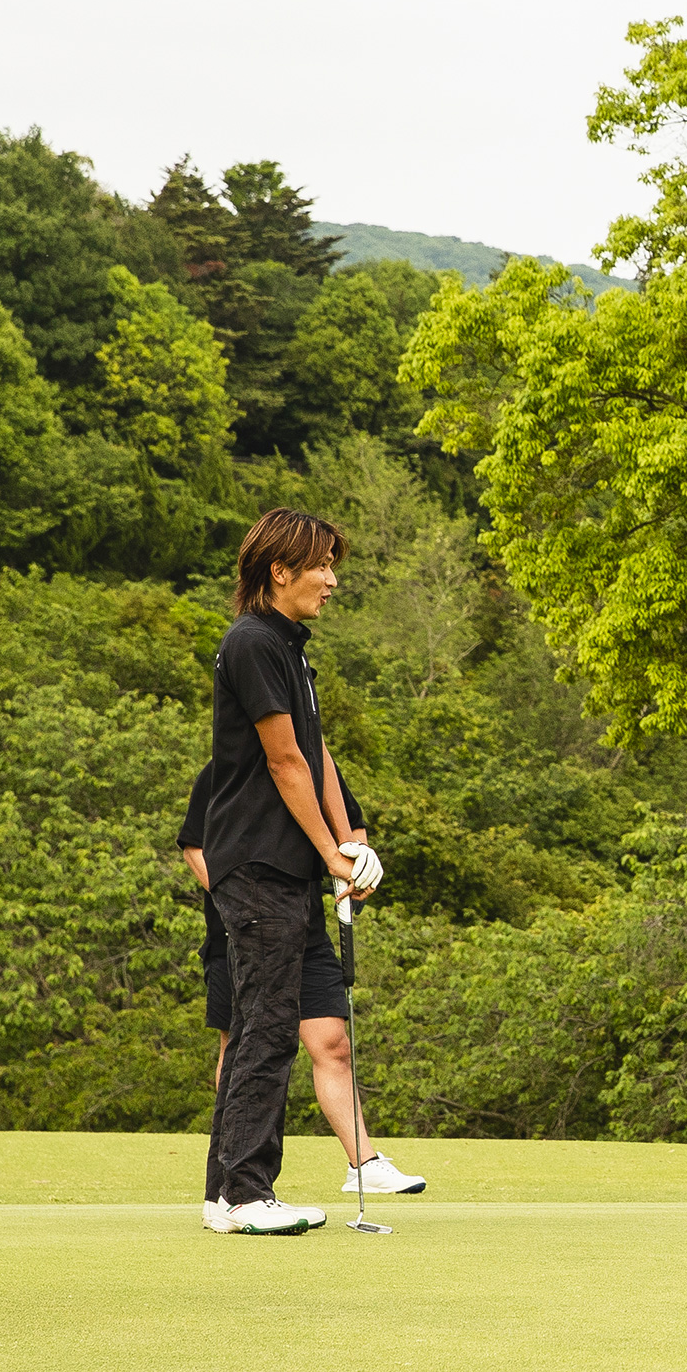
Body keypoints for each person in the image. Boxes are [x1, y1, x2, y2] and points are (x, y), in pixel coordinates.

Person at [199, 507, 385, 1236]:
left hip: (289, 868)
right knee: (268, 1026)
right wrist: (330, 850)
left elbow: (318, 756)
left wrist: (347, 847)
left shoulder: (289, 649)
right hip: (257, 862)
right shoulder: (251, 643)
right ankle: (247, 1195)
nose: (332, 580)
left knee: (260, 1023)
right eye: (322, 566)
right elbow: (282, 763)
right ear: (280, 570)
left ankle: (225, 1194)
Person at [180, 765, 423, 1228]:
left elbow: (350, 828)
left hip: (304, 925)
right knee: (242, 1045)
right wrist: (237, 898)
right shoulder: (226, 771)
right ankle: (226, 1187)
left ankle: (364, 1163)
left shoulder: (316, 767)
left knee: (332, 1042)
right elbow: (194, 845)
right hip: (240, 926)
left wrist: (360, 864)